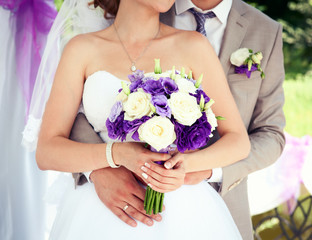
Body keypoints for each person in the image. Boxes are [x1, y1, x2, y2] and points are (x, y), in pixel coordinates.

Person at [36, 0, 251, 239]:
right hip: (101, 213)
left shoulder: (193, 46)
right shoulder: (81, 50)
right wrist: (116, 154)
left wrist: (185, 165)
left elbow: (238, 140)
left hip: (184, 212)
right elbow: (47, 152)